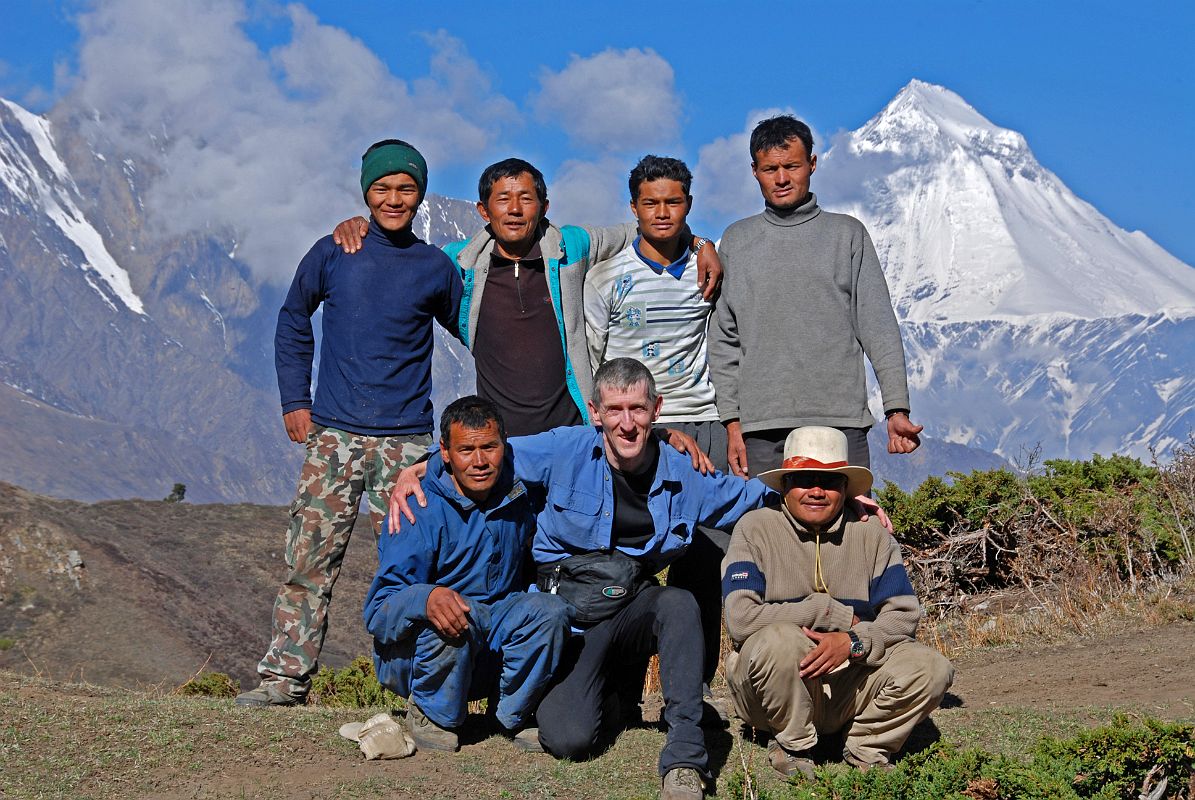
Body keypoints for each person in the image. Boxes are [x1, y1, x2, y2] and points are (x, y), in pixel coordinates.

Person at [390, 358, 774, 800]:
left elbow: (746, 498)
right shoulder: (565, 449)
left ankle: (685, 755)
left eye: (637, 409)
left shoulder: (681, 472)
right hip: (568, 617)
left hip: (632, 605)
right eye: (614, 410)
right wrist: (419, 469)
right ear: (595, 413)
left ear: (657, 409)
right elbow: (490, 454)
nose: (626, 424)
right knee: (567, 737)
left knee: (679, 602)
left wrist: (831, 498)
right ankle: (614, 697)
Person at [235, 139, 463, 707]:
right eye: (382, 188)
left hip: (408, 444)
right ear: (366, 193)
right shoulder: (335, 252)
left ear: (420, 195)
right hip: (333, 436)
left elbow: (477, 330)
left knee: (413, 567)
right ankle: (285, 679)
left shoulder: (435, 267)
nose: (394, 198)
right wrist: (295, 399)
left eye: (406, 188)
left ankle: (419, 690)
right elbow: (293, 319)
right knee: (309, 559)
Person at [331, 158, 722, 437]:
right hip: (502, 441)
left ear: (544, 207)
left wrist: (700, 241)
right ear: (484, 210)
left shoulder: (572, 247)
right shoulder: (458, 265)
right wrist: (363, 225)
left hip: (575, 434)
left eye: (526, 199)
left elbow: (650, 225)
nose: (515, 210)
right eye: (503, 200)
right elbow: (405, 260)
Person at [721, 426, 954, 778]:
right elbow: (740, 619)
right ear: (785, 484)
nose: (817, 491)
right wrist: (827, 612)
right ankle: (791, 743)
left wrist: (853, 643)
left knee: (932, 668)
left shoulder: (870, 535)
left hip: (848, 680)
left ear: (845, 489)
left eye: (829, 482)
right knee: (780, 641)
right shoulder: (754, 529)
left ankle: (866, 745)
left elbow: (904, 616)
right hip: (770, 689)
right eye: (805, 479)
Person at [582, 154, 729, 699]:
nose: (662, 212)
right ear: (633, 208)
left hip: (701, 418)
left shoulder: (708, 266)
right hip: (632, 427)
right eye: (651, 202)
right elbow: (594, 357)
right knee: (627, 554)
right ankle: (617, 686)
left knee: (702, 557)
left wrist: (706, 244)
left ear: (689, 205)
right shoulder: (608, 277)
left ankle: (695, 685)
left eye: (674, 201)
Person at [708, 115, 924, 477]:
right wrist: (732, 423)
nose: (781, 178)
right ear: (754, 171)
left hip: (839, 420)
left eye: (791, 166)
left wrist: (896, 409)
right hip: (761, 427)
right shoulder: (736, 241)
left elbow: (878, 326)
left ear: (812, 164)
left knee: (848, 529)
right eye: (769, 169)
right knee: (765, 530)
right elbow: (723, 341)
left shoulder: (847, 235)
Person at [363, 397, 569, 752]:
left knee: (551, 612)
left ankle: (511, 715)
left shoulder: (519, 493)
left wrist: (666, 438)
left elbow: (590, 447)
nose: (479, 461)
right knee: (449, 611)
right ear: (444, 452)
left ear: (505, 445)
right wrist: (426, 598)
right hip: (428, 648)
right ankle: (432, 713)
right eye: (466, 450)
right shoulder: (417, 509)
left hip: (492, 631)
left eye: (489, 447)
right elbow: (378, 611)